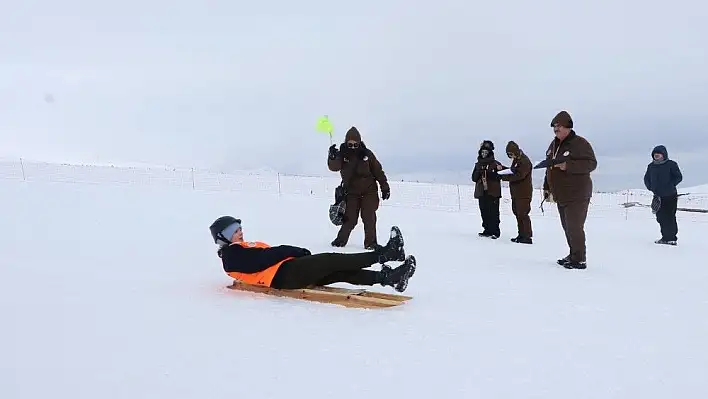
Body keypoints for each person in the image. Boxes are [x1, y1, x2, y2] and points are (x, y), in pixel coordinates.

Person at [209, 216, 416, 293]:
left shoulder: (241, 248)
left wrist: (293, 254)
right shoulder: (231, 257)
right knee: (331, 260)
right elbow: (264, 259)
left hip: (287, 270)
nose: (240, 231)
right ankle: (387, 254)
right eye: (235, 231)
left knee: (338, 271)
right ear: (224, 237)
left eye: (239, 228)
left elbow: (268, 255)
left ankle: (389, 278)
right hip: (282, 276)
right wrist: (293, 251)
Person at [542, 110, 597, 269]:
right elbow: (549, 168)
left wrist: (568, 166)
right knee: (567, 227)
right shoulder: (553, 145)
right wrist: (547, 188)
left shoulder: (580, 143)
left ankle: (579, 259)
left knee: (574, 227)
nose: (555, 129)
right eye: (554, 127)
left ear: (568, 127)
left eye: (558, 126)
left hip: (577, 194)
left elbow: (591, 164)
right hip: (562, 194)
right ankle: (573, 254)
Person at [327, 126, 390, 249]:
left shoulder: (367, 154)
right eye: (350, 144)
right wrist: (332, 157)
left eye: (355, 144)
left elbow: (378, 170)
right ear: (346, 143)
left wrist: (385, 186)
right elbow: (334, 167)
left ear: (359, 143)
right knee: (350, 218)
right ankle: (340, 241)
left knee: (369, 217)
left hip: (369, 191)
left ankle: (371, 243)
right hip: (351, 192)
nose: (353, 147)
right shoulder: (342, 155)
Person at [643, 145, 683, 245]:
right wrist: (650, 187)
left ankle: (672, 238)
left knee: (669, 216)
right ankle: (665, 237)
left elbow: (678, 177)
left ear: (663, 155)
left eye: (659, 154)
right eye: (655, 154)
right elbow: (646, 178)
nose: (656, 156)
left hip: (670, 195)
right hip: (658, 196)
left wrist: (670, 185)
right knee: (660, 217)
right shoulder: (651, 166)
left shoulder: (671, 164)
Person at [499, 140, 533, 244]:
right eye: (509, 155)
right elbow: (512, 171)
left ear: (516, 151)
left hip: (524, 193)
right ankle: (521, 234)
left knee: (523, 214)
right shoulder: (517, 160)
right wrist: (503, 169)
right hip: (516, 193)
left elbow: (519, 175)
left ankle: (527, 236)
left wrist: (503, 176)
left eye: (511, 154)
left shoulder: (525, 161)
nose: (510, 156)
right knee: (517, 213)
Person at [471, 140, 503, 238]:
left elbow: (501, 176)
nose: (484, 154)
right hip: (482, 192)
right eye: (482, 152)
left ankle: (495, 231)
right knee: (484, 211)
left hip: (493, 192)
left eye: (486, 152)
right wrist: (479, 171)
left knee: (494, 212)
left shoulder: (496, 164)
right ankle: (487, 230)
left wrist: (492, 174)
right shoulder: (478, 164)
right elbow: (473, 178)